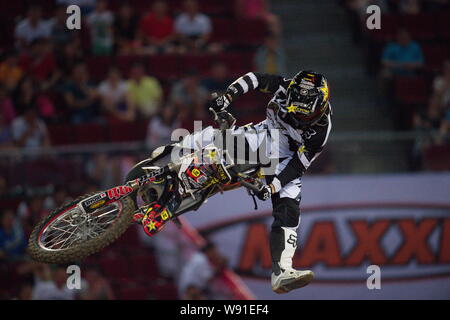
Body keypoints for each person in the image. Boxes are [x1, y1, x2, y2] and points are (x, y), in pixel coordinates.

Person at [135, 70, 332, 294]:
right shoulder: (285, 86)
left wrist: (272, 187)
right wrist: (229, 96)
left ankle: (282, 271)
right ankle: (168, 156)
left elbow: (297, 166)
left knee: (289, 205)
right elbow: (255, 79)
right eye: (296, 110)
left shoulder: (321, 131)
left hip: (286, 159)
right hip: (265, 133)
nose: (299, 117)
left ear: (320, 104)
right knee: (216, 136)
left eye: (305, 115)